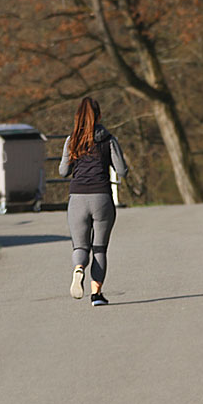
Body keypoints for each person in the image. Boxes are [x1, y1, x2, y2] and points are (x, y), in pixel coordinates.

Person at [59, 97, 128, 306]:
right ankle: (96, 295)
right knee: (99, 248)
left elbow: (63, 171)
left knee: (80, 247)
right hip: (102, 198)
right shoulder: (108, 139)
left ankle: (79, 268)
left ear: (77, 117)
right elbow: (122, 171)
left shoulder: (72, 140)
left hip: (77, 199)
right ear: (99, 116)